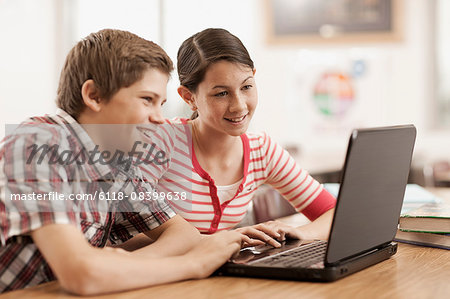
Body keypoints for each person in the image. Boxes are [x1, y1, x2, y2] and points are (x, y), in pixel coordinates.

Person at [0, 29, 246, 295]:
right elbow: (82, 275)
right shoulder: (35, 144)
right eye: (147, 100)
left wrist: (117, 265)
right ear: (93, 95)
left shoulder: (115, 159)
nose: (159, 118)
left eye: (161, 104)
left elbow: (183, 234)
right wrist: (194, 264)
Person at [158, 28, 336, 247]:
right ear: (189, 97)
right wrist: (220, 240)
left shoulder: (261, 150)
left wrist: (301, 233)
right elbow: (116, 236)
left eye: (246, 87)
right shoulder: (161, 142)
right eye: (221, 93)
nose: (239, 105)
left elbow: (333, 213)